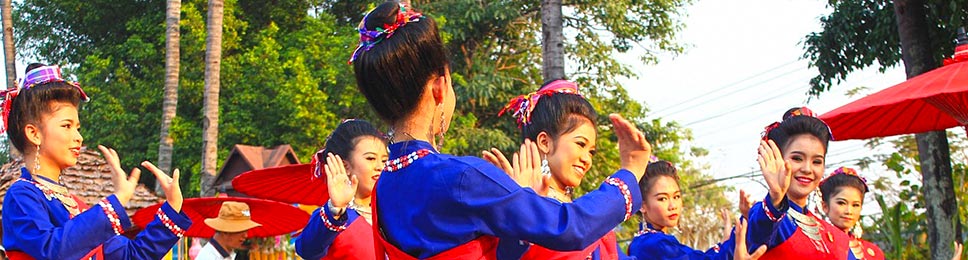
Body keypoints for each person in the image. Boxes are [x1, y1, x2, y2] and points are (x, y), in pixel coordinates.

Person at [350, 2, 652, 259]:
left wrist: (519, 205)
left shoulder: (384, 186)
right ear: (440, 88)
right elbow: (569, 227)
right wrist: (629, 173)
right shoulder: (462, 177)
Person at [1, 64, 190, 259]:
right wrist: (116, 201)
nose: (79, 137)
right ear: (34, 133)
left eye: (78, 127)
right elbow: (51, 250)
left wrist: (172, 207)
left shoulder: (78, 207)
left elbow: (132, 255)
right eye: (67, 126)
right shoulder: (22, 196)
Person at [482, 79, 626, 259]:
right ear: (545, 142)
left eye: (591, 152)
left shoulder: (585, 216)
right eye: (580, 144)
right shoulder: (522, 203)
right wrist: (521, 207)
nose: (586, 159)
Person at [747, 107, 852, 259]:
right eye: (797, 158)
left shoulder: (837, 237)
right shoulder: (765, 216)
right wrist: (776, 197)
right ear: (776, 159)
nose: (807, 169)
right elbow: (758, 238)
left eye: (817, 161)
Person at [626, 160, 766, 259]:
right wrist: (747, 221)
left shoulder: (644, 242)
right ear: (642, 205)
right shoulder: (654, 244)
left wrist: (727, 242)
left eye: (676, 196)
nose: (672, 205)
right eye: (662, 198)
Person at [295, 119, 388, 259]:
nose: (380, 167)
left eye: (384, 160)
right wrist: (336, 207)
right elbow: (307, 250)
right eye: (370, 158)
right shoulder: (335, 216)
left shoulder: (392, 215)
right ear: (345, 166)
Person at [817, 167, 883, 260]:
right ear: (825, 206)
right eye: (841, 203)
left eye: (855, 205)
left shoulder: (873, 252)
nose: (849, 211)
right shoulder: (814, 245)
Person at [197, 202, 262, 260]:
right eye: (241, 229)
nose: (246, 235)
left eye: (246, 230)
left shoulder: (225, 254)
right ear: (225, 230)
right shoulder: (209, 257)